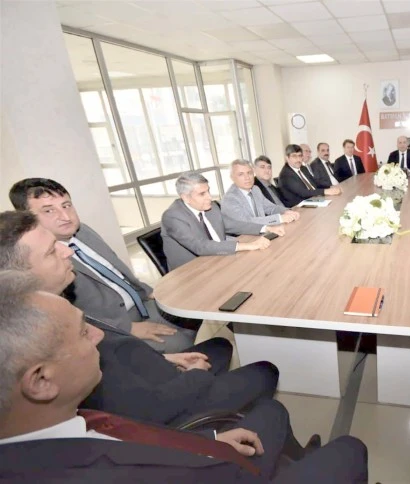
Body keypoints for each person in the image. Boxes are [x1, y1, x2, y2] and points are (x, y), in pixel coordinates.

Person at [0, 270, 369, 482]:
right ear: (41, 381)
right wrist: (212, 449)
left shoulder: (62, 424)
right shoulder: (100, 471)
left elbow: (134, 434)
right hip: (227, 473)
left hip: (202, 447)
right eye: (84, 332)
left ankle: (296, 458)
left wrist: (210, 439)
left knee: (272, 412)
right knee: (351, 449)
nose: (100, 335)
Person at [0, 210, 279, 427]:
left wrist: (167, 359)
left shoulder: (59, 304)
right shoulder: (43, 339)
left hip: (156, 368)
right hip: (166, 404)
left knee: (220, 345)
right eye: (52, 250)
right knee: (267, 375)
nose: (68, 251)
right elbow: (147, 408)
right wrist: (195, 377)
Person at [9, 178, 197, 353]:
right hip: (113, 326)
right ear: (27, 219)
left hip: (141, 302)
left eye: (66, 205)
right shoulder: (37, 262)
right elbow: (63, 317)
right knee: (184, 345)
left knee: (195, 312)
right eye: (49, 211)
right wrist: (128, 328)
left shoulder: (83, 232)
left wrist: (148, 291)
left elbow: (116, 271)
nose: (65, 216)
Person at [161, 172, 272, 272]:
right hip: (192, 273)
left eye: (208, 191)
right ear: (185, 197)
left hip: (221, 261)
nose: (209, 197)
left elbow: (231, 224)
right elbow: (199, 246)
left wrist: (266, 228)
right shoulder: (172, 217)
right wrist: (248, 245)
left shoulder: (211, 207)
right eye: (202, 194)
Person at [222, 160, 300, 236]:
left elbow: (270, 208)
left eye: (249, 173)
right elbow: (247, 222)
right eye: (241, 174)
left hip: (264, 232)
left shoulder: (255, 189)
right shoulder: (230, 199)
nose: (247, 177)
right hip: (244, 238)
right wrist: (280, 218)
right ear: (232, 177)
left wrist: (286, 211)